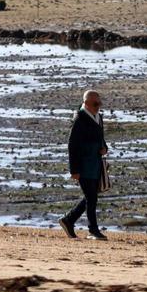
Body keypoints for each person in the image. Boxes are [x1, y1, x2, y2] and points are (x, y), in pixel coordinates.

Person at [60, 90, 108, 241]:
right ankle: (92, 230)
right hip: (83, 166)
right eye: (95, 104)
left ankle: (69, 220)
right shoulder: (79, 119)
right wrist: (74, 170)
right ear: (86, 103)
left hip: (96, 164)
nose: (98, 106)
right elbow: (72, 145)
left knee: (92, 196)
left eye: (99, 103)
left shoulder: (99, 117)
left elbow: (101, 137)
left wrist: (104, 148)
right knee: (91, 197)